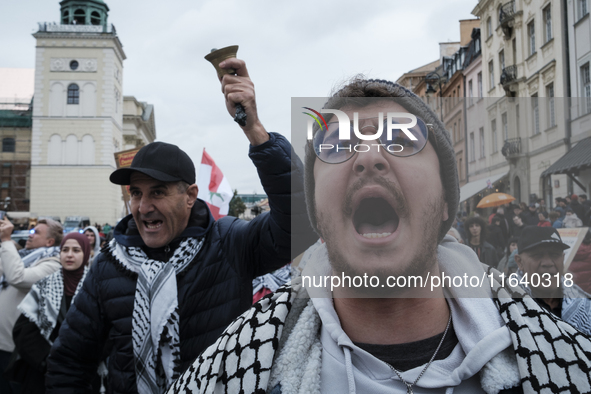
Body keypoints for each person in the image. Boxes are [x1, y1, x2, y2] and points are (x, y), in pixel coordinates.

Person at [170, 79, 591, 393]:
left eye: (402, 138)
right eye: (337, 145)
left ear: (446, 201)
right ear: (317, 210)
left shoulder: (568, 362)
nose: (369, 157)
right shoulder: (227, 370)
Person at [45, 58, 316, 394]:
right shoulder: (108, 266)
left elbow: (301, 224)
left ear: (190, 196)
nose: (144, 207)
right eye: (137, 194)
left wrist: (255, 129)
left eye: (157, 192)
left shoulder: (228, 244)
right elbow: (69, 362)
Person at [8, 233, 102, 393]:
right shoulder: (43, 286)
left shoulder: (96, 289)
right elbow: (23, 331)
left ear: (86, 254)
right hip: (43, 373)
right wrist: (48, 360)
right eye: (65, 250)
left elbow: (106, 332)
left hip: (83, 373)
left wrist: (82, 359)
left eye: (76, 250)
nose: (69, 255)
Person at [0, 218, 63, 393]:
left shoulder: (53, 264)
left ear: (50, 241)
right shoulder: (23, 257)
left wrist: (6, 241)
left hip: (15, 350)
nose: (30, 235)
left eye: (36, 232)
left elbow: (17, 278)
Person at [514, 226, 591, 335]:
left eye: (554, 255)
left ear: (563, 258)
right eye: (537, 255)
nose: (548, 263)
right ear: (520, 262)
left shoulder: (584, 306)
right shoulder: (506, 304)